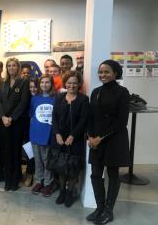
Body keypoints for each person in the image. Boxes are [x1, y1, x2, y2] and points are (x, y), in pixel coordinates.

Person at [86, 60, 130, 224]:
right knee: (96, 174)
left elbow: (121, 121)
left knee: (112, 175)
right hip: (95, 140)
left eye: (106, 72)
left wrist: (100, 137)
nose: (102, 75)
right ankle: (99, 207)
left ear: (115, 73)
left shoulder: (122, 92)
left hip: (114, 140)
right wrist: (89, 136)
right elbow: (91, 117)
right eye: (101, 72)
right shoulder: (95, 92)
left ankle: (108, 211)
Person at [52, 70, 89, 207]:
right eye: (69, 83)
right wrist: (57, 134)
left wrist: (73, 135)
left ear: (78, 84)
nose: (72, 85)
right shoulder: (59, 97)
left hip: (76, 139)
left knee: (73, 169)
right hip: (60, 139)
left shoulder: (83, 99)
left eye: (74, 83)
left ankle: (70, 193)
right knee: (61, 168)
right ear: (65, 83)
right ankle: (62, 192)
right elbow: (54, 117)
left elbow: (83, 121)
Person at [0, 57, 31, 191]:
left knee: (16, 151)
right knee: (6, 150)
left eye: (14, 65)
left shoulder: (23, 82)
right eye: (9, 65)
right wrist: (3, 117)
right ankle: (8, 178)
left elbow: (23, 103)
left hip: (16, 122)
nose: (11, 68)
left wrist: (11, 118)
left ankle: (16, 179)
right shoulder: (3, 82)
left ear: (18, 67)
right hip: (4, 122)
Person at [30, 74, 56, 197]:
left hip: (49, 133)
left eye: (47, 82)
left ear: (51, 84)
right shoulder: (35, 98)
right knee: (38, 159)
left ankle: (48, 182)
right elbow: (31, 114)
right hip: (36, 132)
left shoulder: (56, 98)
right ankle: (38, 181)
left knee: (47, 160)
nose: (44, 85)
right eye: (42, 82)